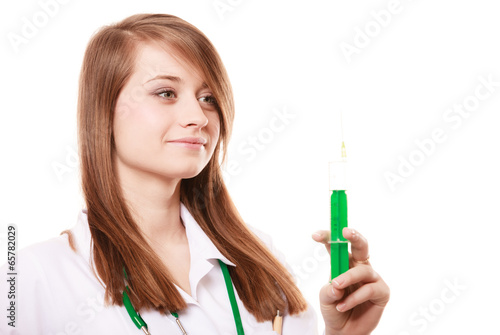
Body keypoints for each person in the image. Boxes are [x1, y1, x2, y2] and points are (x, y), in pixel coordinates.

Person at [0, 13, 389, 334]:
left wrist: (344, 334)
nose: (198, 118)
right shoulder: (31, 277)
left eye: (208, 99)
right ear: (104, 110)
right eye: (166, 93)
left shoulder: (259, 259)